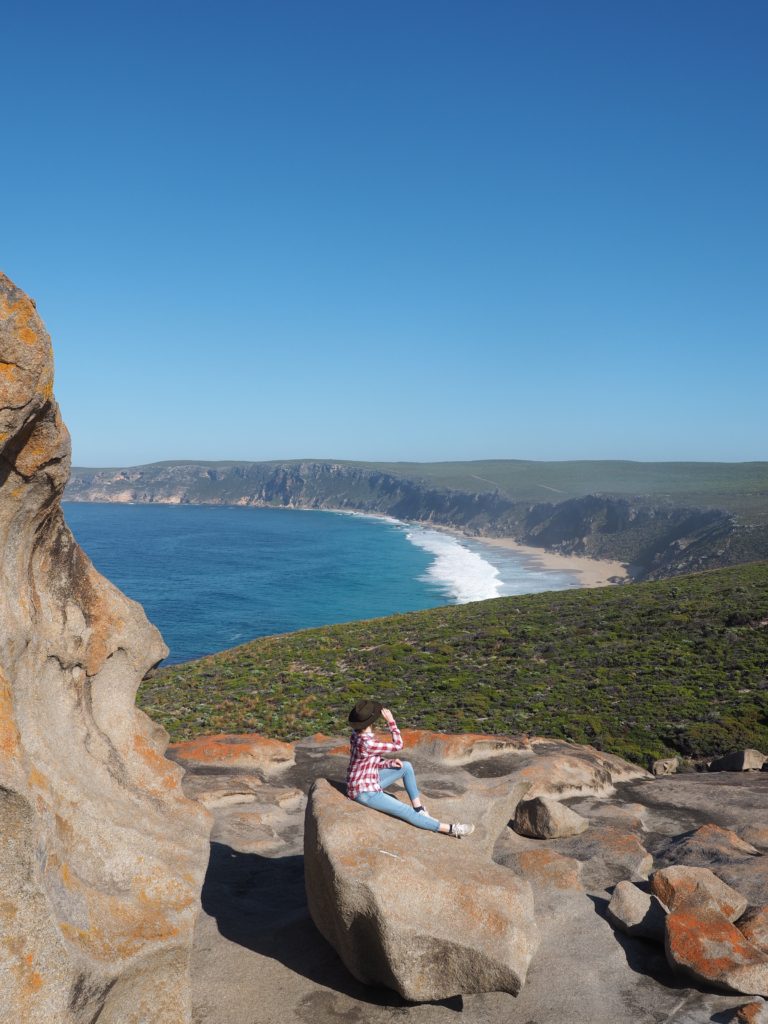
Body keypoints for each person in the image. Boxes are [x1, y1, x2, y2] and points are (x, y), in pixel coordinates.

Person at [345, 699, 475, 838]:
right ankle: (451, 829)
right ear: (371, 721)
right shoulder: (368, 743)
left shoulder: (356, 735)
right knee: (405, 810)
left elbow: (366, 762)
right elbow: (399, 744)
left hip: (364, 781)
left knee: (406, 766)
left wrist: (388, 763)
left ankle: (419, 809)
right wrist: (391, 722)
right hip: (365, 792)